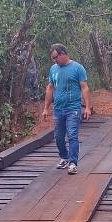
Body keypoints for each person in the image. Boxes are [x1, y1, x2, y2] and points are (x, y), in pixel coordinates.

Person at [41, 43, 93, 175]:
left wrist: (87, 107)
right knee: (58, 136)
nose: (54, 60)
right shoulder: (53, 69)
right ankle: (64, 157)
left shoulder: (77, 68)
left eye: (55, 57)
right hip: (58, 109)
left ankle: (73, 162)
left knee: (72, 135)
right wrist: (46, 108)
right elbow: (50, 88)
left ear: (63, 53)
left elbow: (84, 87)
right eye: (53, 58)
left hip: (73, 108)